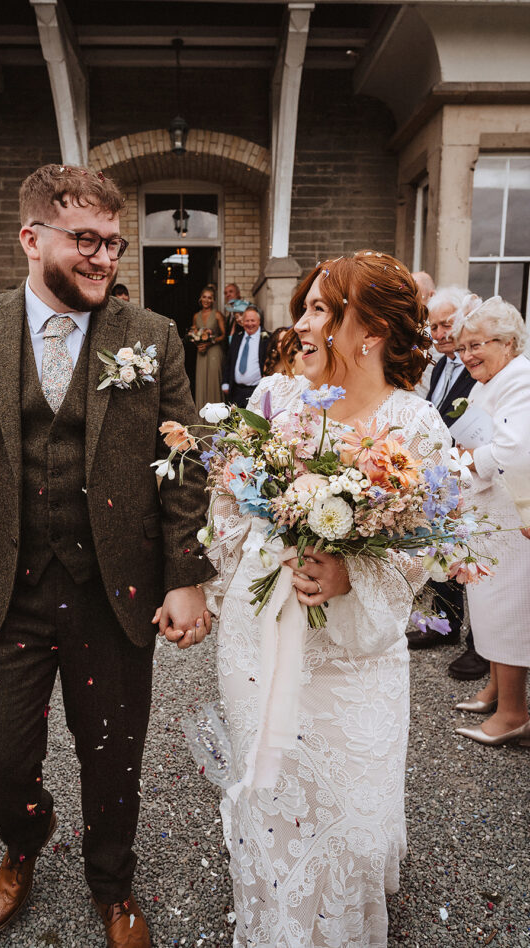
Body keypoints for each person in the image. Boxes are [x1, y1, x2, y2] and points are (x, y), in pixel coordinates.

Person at [0, 163, 215, 947]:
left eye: (112, 242)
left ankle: (112, 883)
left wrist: (187, 578)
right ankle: (25, 839)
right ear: (30, 238)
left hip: (114, 587)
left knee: (113, 756)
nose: (105, 257)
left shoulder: (151, 336)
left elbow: (180, 463)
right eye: (86, 240)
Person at [206, 251, 449, 947]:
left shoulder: (415, 425)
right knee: (274, 788)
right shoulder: (273, 400)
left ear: (368, 330)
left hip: (355, 656)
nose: (302, 325)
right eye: (305, 309)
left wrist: (351, 575)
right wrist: (260, 552)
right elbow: (226, 502)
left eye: (320, 310)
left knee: (354, 811)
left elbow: (422, 548)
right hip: (265, 632)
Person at [451, 297, 530, 747]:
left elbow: (513, 451)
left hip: (510, 518)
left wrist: (465, 460)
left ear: (507, 342)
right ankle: (498, 691)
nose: (466, 356)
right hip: (488, 517)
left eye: (475, 345)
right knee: (489, 609)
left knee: (508, 610)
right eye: (461, 348)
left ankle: (515, 713)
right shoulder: (491, 380)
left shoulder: (520, 380)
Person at [408, 288, 490, 680]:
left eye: (446, 324)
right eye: (434, 326)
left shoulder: (479, 368)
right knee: (445, 548)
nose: (439, 333)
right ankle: (444, 623)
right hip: (445, 473)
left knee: (478, 558)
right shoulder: (443, 365)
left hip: (478, 472)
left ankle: (482, 647)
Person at [221, 305, 269, 407]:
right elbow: (229, 361)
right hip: (236, 391)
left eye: (253, 320)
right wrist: (225, 382)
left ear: (259, 321)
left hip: (257, 390)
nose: (250, 324)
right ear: (242, 322)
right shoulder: (237, 337)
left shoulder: (267, 339)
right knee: (236, 421)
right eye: (247, 321)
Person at [189, 284, 226, 412]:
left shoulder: (217, 315)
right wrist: (197, 343)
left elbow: (224, 335)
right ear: (200, 298)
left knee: (213, 383)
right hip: (201, 353)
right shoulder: (196, 316)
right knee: (201, 382)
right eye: (204, 297)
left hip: (214, 352)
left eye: (210, 298)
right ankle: (202, 418)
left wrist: (211, 342)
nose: (207, 300)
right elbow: (193, 334)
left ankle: (217, 417)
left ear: (214, 300)